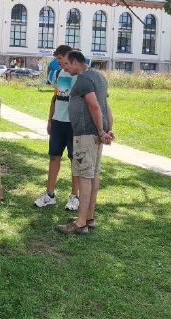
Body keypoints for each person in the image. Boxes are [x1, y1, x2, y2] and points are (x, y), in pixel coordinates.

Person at [56, 51, 114, 235]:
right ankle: (88, 217)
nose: (65, 68)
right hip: (95, 134)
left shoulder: (83, 78)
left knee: (84, 176)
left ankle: (81, 223)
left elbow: (95, 105)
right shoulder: (99, 76)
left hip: (87, 135)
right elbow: (106, 107)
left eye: (67, 65)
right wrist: (108, 129)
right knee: (93, 174)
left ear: (75, 62)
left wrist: (101, 131)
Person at [34, 45, 79, 211]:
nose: (58, 62)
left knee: (75, 160)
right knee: (54, 157)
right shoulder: (57, 74)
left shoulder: (79, 75)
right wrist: (50, 119)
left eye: (60, 58)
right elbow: (55, 97)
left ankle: (75, 196)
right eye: (57, 59)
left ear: (69, 56)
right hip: (58, 122)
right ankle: (49, 194)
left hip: (73, 124)